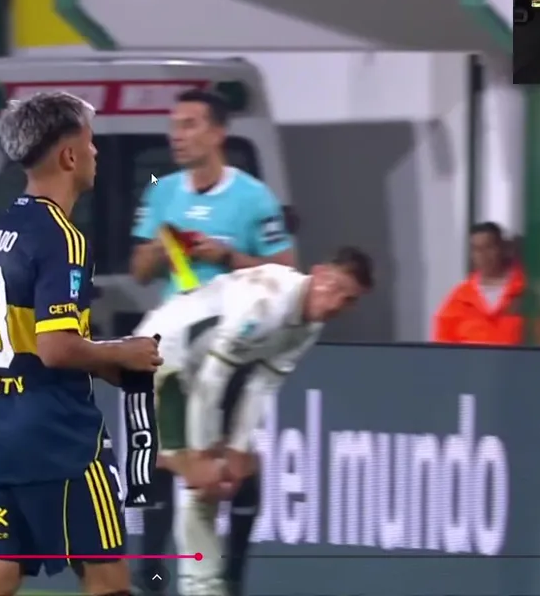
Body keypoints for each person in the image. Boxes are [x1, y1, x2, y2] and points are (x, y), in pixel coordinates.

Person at [0, 92, 162, 596]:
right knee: (107, 576)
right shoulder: (62, 236)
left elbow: (22, 337)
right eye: (90, 142)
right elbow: (56, 348)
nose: (96, 152)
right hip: (58, 438)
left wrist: (103, 362)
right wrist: (120, 352)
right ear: (68, 155)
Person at [128, 89, 295, 593]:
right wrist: (158, 251)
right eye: (174, 125)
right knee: (162, 453)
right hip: (173, 342)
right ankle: (151, 572)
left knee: (229, 460)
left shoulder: (253, 198)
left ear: (218, 133)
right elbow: (138, 271)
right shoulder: (163, 193)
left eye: (190, 124)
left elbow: (287, 272)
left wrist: (227, 257)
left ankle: (233, 572)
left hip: (231, 344)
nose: (177, 135)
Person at [133, 249, 372, 596]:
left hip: (195, 368)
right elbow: (213, 378)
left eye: (348, 299)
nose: (336, 303)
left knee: (216, 476)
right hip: (160, 357)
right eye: (334, 288)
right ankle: (196, 586)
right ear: (318, 273)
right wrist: (202, 451)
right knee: (202, 477)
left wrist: (237, 449)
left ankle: (201, 584)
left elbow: (262, 385)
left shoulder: (308, 327)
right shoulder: (266, 304)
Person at [432, 222, 526, 345]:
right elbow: (442, 348)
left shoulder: (525, 292)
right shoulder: (458, 300)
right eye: (477, 249)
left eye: (489, 247)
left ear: (502, 248)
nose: (483, 255)